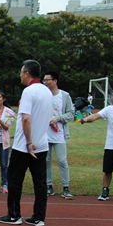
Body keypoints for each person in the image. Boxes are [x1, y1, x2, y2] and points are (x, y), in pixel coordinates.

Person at [0, 59, 54, 226]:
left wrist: (29, 142)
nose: (20, 75)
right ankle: (39, 217)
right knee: (40, 182)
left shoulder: (29, 92)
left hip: (24, 146)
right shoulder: (47, 92)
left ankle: (14, 215)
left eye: (21, 72)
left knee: (14, 180)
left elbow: (26, 119)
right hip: (42, 144)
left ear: (27, 74)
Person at [42, 71, 75, 200]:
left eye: (47, 80)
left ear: (55, 81)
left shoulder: (64, 95)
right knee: (46, 160)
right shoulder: (43, 95)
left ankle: (66, 187)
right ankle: (48, 185)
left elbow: (71, 113)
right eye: (44, 80)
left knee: (62, 160)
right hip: (45, 133)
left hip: (59, 134)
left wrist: (58, 118)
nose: (45, 83)